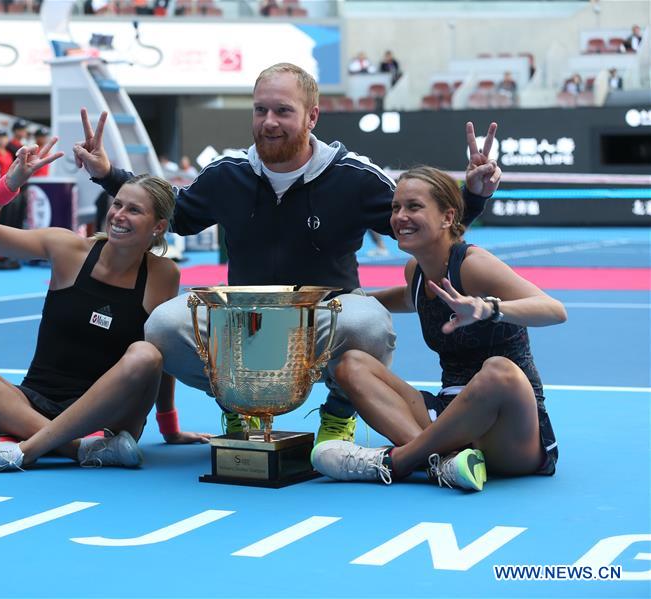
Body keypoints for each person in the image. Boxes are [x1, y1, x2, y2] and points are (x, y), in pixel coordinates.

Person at [73, 62, 501, 444]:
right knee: (163, 325)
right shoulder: (227, 174)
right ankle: (236, 405)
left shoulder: (353, 176)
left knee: (368, 323)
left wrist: (473, 196)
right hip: (244, 321)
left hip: (326, 316)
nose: (269, 122)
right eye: (260, 110)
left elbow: (424, 226)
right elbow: (177, 215)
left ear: (312, 116)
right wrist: (108, 175)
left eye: (282, 111)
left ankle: (339, 414)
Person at [0, 139, 210, 472]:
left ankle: (20, 449)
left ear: (158, 227)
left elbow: (164, 359)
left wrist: (169, 427)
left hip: (109, 417)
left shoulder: (163, 274)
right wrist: (10, 183)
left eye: (134, 210)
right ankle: (78, 449)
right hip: (33, 402)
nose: (119, 215)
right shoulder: (66, 249)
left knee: (147, 355)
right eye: (118, 204)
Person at [311, 166, 564, 491]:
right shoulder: (416, 271)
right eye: (396, 207)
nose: (400, 217)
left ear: (447, 217)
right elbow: (408, 298)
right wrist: (342, 301)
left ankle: (396, 462)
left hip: (510, 429)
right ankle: (442, 463)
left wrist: (488, 309)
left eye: (414, 207)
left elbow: (554, 310)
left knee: (499, 370)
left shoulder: (472, 265)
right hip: (446, 414)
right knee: (351, 365)